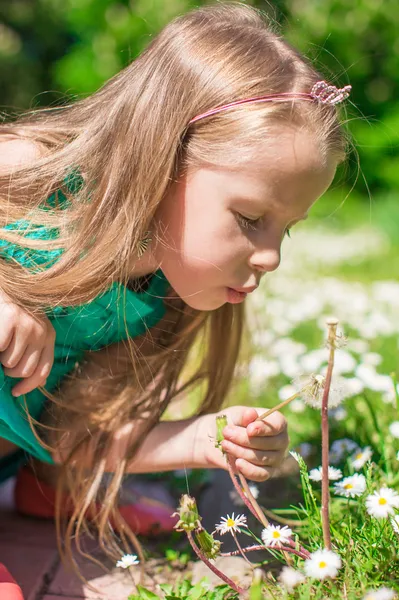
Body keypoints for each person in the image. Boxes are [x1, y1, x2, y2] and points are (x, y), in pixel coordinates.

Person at [0, 2, 351, 597]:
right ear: (162, 155)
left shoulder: (159, 292)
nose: (270, 257)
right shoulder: (29, 175)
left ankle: (56, 488)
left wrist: (197, 439)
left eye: (284, 229)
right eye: (250, 218)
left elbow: (78, 427)